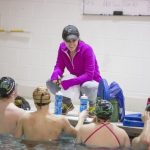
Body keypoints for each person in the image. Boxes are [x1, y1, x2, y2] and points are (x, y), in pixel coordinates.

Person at [46, 25, 102, 113]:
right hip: (76, 80)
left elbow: (89, 75)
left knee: (88, 86)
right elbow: (59, 66)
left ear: (78, 39)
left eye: (74, 40)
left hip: (90, 81)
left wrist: (70, 82)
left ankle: (93, 105)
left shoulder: (87, 49)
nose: (71, 44)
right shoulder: (62, 48)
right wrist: (55, 73)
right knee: (50, 82)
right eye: (68, 41)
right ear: (64, 40)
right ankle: (67, 104)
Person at [15, 86, 86, 141]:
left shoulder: (24, 118)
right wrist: (81, 118)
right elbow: (77, 134)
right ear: (49, 101)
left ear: (34, 102)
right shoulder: (61, 120)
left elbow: (16, 139)